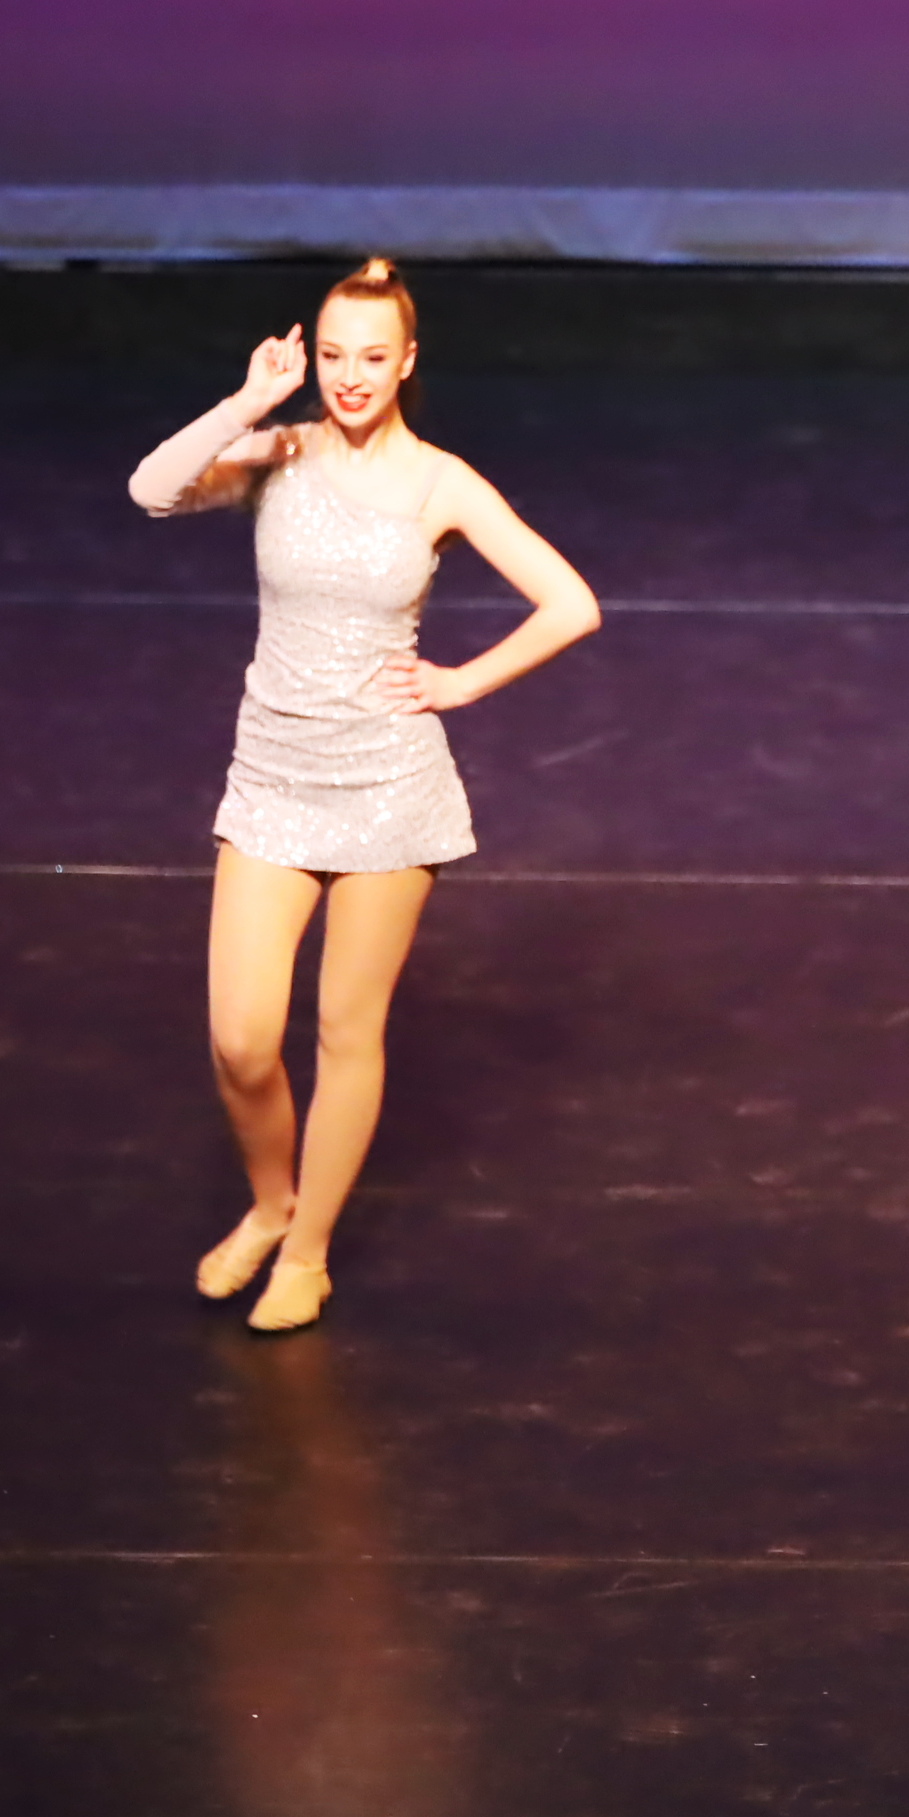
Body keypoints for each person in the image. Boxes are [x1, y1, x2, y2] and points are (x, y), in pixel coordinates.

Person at [128, 258, 600, 1332]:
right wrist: (248, 403)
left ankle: (308, 1252)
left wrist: (461, 682)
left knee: (347, 1030)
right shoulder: (282, 452)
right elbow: (152, 489)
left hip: (390, 787)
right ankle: (269, 1204)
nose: (349, 376)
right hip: (273, 777)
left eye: (372, 357)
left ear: (406, 363)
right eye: (333, 355)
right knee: (242, 1038)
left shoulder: (442, 483)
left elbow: (570, 603)